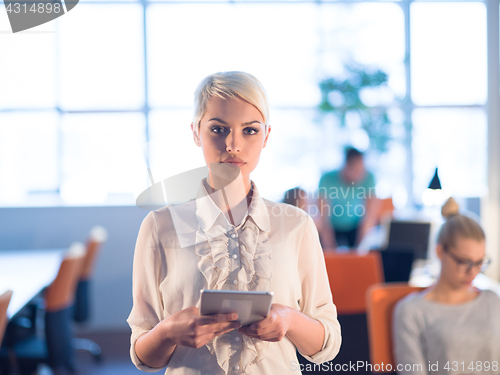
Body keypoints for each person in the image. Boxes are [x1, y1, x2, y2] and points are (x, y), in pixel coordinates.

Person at [127, 71, 341, 375]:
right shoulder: (160, 226)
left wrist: (289, 320)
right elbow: (144, 356)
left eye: (250, 130)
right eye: (218, 129)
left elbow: (326, 345)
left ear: (266, 135)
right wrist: (169, 331)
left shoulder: (296, 226)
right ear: (195, 132)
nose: (233, 144)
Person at [393, 198, 500, 375]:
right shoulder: (411, 312)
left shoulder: (492, 301)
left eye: (479, 262)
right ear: (440, 251)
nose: (472, 272)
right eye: (464, 262)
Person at [317, 147, 377, 249]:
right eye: (357, 170)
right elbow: (324, 219)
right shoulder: (327, 179)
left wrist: (360, 249)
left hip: (355, 226)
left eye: (362, 170)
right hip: (333, 226)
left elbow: (370, 216)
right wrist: (331, 252)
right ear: (346, 166)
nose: (361, 175)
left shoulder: (368, 177)